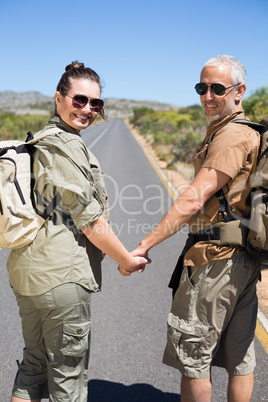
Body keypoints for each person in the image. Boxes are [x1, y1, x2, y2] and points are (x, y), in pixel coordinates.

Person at [119, 55, 262, 402]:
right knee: (240, 356)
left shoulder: (230, 136)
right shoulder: (251, 132)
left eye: (217, 88)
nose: (208, 96)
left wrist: (144, 245)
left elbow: (192, 200)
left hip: (215, 262)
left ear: (239, 91)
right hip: (245, 260)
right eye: (202, 88)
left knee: (194, 358)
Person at [7, 61, 149, 402]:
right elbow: (91, 222)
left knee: (34, 366)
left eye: (96, 103)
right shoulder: (65, 146)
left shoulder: (41, 140)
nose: (87, 109)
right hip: (62, 278)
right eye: (79, 100)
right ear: (59, 99)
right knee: (68, 380)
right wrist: (126, 259)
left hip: (27, 273)